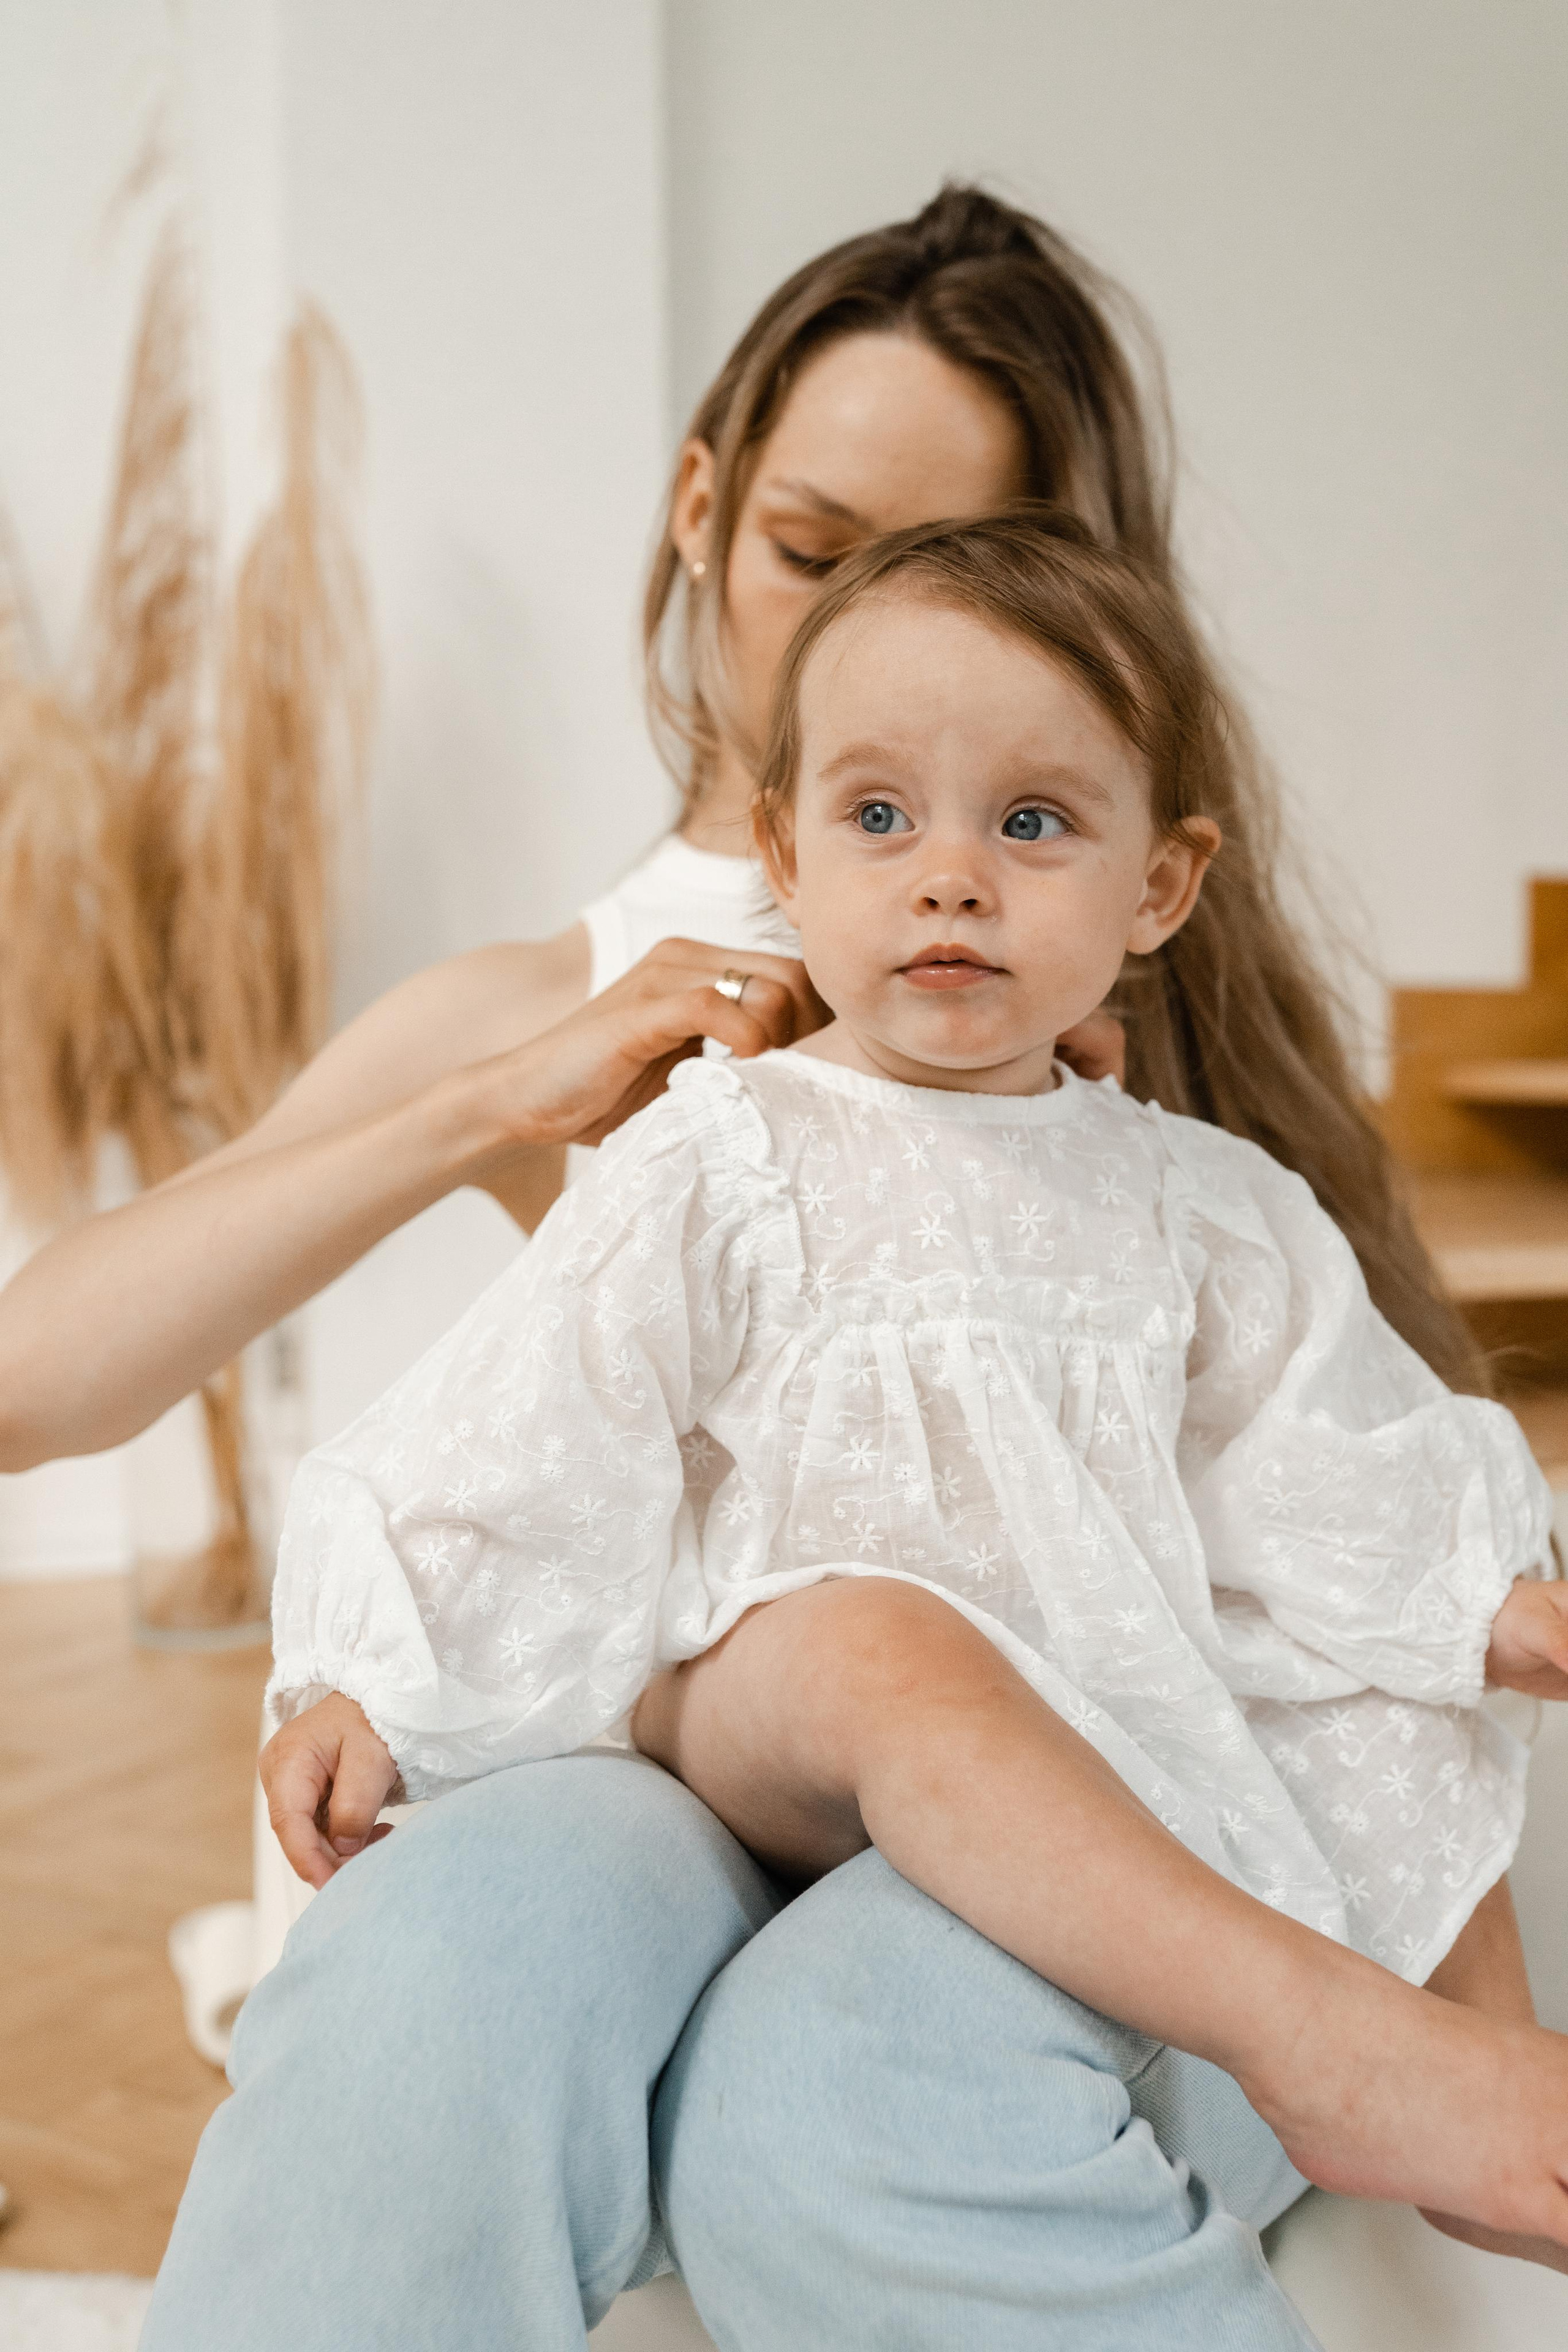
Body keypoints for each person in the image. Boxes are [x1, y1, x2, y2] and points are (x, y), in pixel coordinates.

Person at [0, 187, 1520, 2345]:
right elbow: (31, 1386)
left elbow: (1366, 1513)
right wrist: (480, 1104)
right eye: (823, 554)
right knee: (449, 1971)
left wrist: (1473, 2051)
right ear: (705, 511)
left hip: (1074, 1812)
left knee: (854, 2061)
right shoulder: (564, 1029)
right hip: (647, 1782)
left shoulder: (1160, 1104)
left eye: (957, 576)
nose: (867, 639)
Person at [258, 508, 1568, 2273]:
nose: (952, 874)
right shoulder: (723, 1158)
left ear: (1159, 887)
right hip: (764, 1778)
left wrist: (1487, 1599)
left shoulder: (1201, 1204)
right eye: (883, 818)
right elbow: (538, 1418)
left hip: (1091, 1804)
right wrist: (373, 1668)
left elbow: (1310, 1455)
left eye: (1033, 824)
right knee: (866, 1648)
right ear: (787, 858)